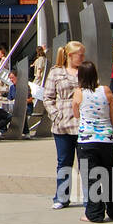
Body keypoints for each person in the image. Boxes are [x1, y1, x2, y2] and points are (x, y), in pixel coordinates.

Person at [73, 59, 113, 223]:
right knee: (109, 175)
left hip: (87, 141)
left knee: (92, 177)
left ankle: (95, 213)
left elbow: (76, 114)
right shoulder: (107, 91)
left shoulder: (79, 93)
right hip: (106, 139)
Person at [45, 41, 84, 209]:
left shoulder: (86, 71)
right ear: (70, 55)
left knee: (86, 164)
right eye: (80, 55)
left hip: (84, 124)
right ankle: (61, 197)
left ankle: (90, 199)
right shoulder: (56, 72)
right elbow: (48, 97)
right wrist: (55, 115)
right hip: (63, 124)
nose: (82, 58)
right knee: (64, 162)